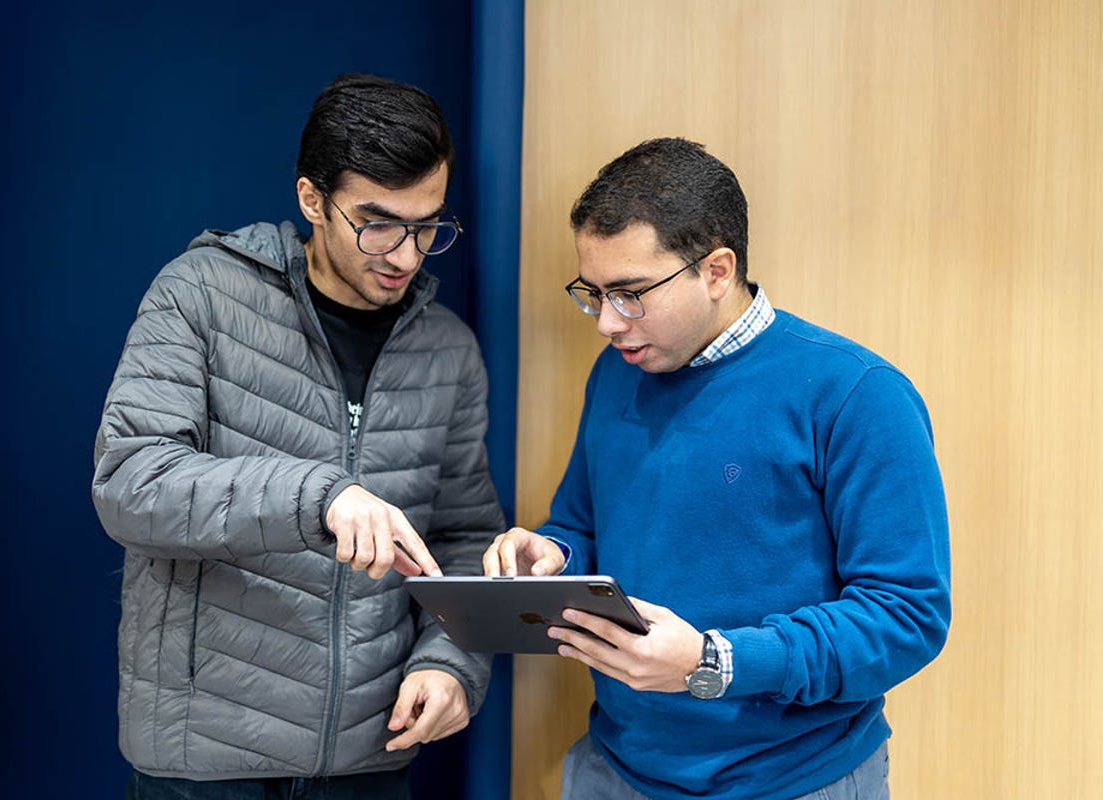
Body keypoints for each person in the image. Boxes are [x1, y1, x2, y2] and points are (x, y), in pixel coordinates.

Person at [483, 137, 951, 800]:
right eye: (595, 293)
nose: (607, 323)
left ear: (717, 271)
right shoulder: (617, 373)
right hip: (614, 768)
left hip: (793, 781)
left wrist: (715, 662)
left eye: (631, 294)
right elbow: (582, 525)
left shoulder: (857, 395)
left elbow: (906, 616)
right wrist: (553, 554)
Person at [92, 72, 505, 799]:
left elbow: (464, 540)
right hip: (203, 758)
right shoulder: (199, 293)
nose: (406, 255)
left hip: (370, 758)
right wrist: (319, 496)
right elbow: (131, 483)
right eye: (377, 223)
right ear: (312, 199)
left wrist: (451, 663)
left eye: (428, 227)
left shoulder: (449, 349)